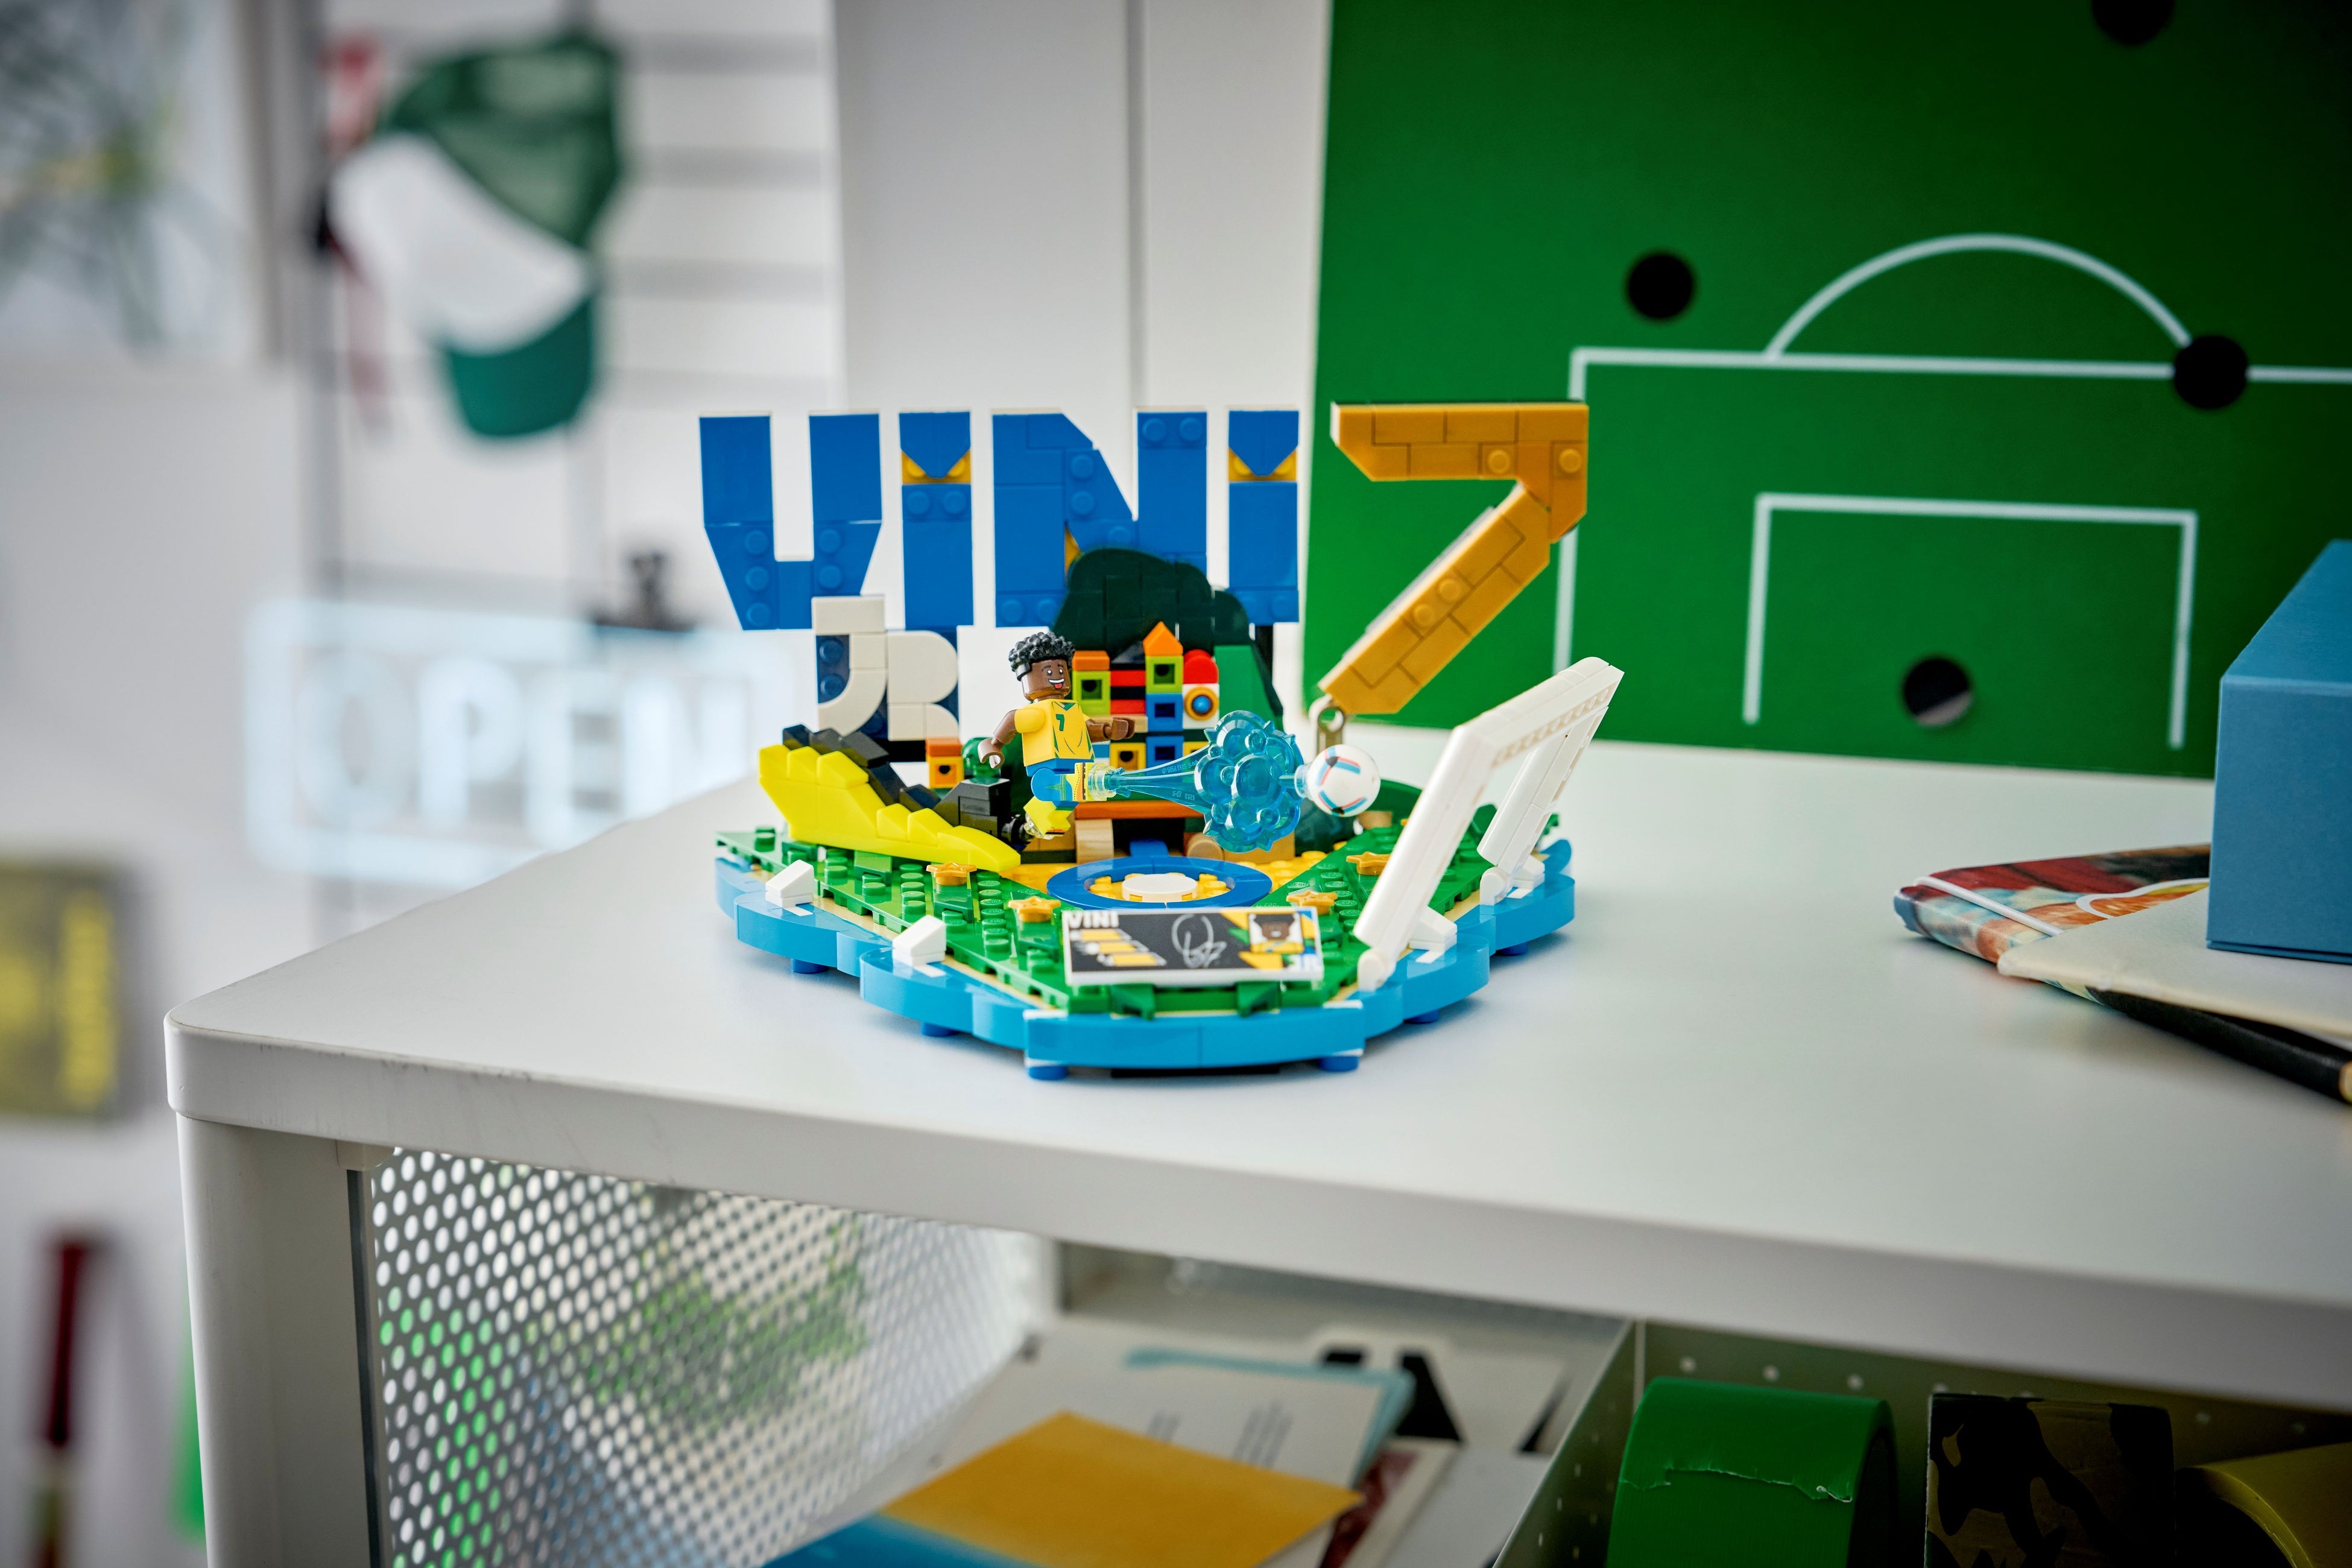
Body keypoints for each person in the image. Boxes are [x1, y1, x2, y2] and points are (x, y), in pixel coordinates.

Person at [982, 632, 1133, 838]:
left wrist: (1110, 731)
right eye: (1049, 671)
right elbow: (1011, 723)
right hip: (1048, 766)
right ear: (1027, 677)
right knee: (1062, 790)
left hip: (1079, 764)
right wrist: (994, 746)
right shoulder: (1036, 713)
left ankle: (1043, 823)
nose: (1058, 676)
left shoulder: (1072, 709)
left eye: (1061, 669)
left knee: (1073, 797)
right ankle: (1037, 821)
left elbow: (1089, 729)